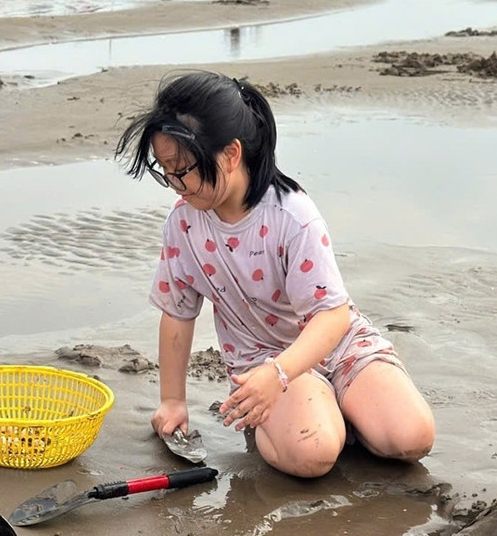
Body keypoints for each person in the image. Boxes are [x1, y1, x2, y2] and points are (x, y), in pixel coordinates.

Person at [116, 72, 435, 479]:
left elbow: (333, 316)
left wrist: (282, 373)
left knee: (413, 436)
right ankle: (319, 416)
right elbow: (178, 313)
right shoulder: (184, 225)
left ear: (230, 155)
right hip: (260, 360)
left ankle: (340, 405)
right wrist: (173, 400)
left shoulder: (291, 215)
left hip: (337, 346)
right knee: (313, 453)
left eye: (183, 170)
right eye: (166, 171)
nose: (175, 185)